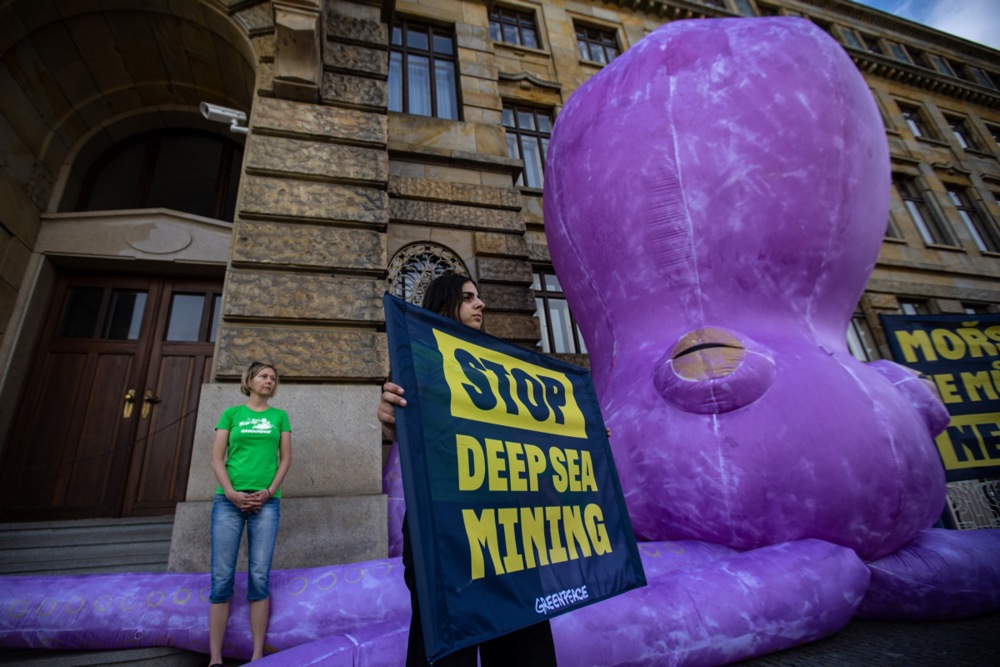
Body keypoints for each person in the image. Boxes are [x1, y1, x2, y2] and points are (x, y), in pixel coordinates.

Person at [378, 272, 558, 667]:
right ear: (443, 305)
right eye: (467, 297)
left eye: (479, 297)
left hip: (510, 529)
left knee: (523, 642)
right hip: (445, 529)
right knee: (447, 648)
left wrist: (578, 436)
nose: (481, 304)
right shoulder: (418, 360)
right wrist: (394, 423)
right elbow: (412, 432)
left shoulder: (500, 366)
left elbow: (527, 437)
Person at [208, 361, 292, 666]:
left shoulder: (280, 417)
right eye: (263, 376)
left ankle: (257, 656)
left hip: (266, 503)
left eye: (273, 377)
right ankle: (215, 658)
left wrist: (269, 492)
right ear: (250, 380)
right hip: (228, 502)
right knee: (221, 578)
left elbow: (285, 460)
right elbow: (217, 459)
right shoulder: (231, 414)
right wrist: (230, 492)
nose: (269, 381)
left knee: (259, 576)